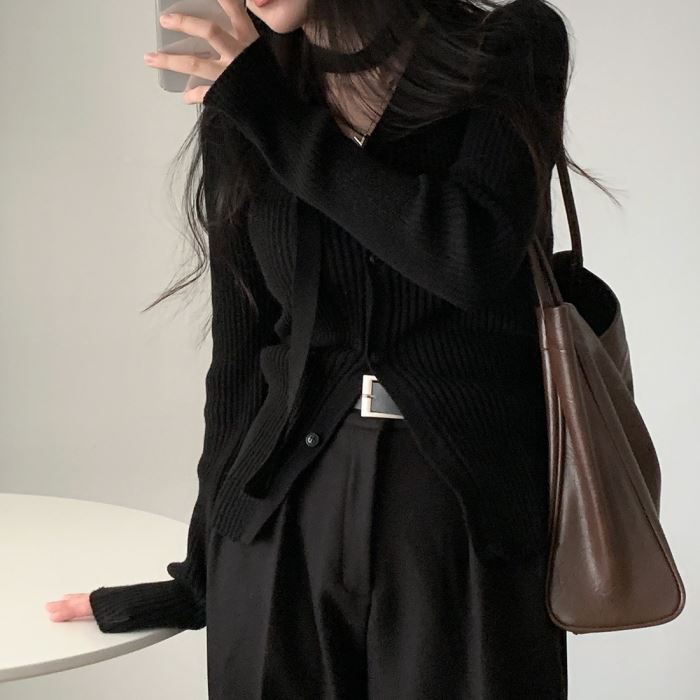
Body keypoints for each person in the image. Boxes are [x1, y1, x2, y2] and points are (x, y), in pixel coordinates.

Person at [45, 0, 600, 696]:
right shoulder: (248, 94)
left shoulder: (507, 43)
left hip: (461, 520)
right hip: (280, 520)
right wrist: (198, 577)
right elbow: (242, 357)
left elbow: (467, 256)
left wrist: (269, 111)